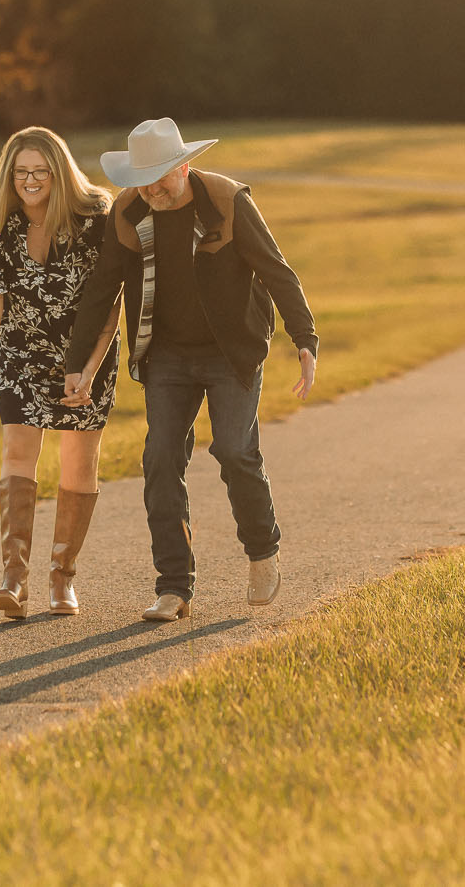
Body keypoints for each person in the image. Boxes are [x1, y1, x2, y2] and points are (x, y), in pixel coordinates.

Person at [63, 118, 317, 622]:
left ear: (184, 166)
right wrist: (77, 365)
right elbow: (101, 290)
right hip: (167, 354)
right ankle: (173, 586)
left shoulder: (225, 200)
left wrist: (305, 340)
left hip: (230, 350)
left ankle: (262, 552)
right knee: (159, 459)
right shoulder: (130, 211)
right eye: (144, 177)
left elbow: (275, 269)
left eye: (162, 175)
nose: (153, 188)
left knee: (234, 450)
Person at [0, 127, 121, 618]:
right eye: (20, 171)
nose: (29, 181)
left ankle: (62, 579)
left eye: (40, 171)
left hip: (85, 357)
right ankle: (14, 577)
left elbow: (109, 300)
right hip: (20, 353)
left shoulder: (95, 215)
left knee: (79, 461)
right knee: (16, 449)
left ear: (59, 171)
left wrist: (87, 369)